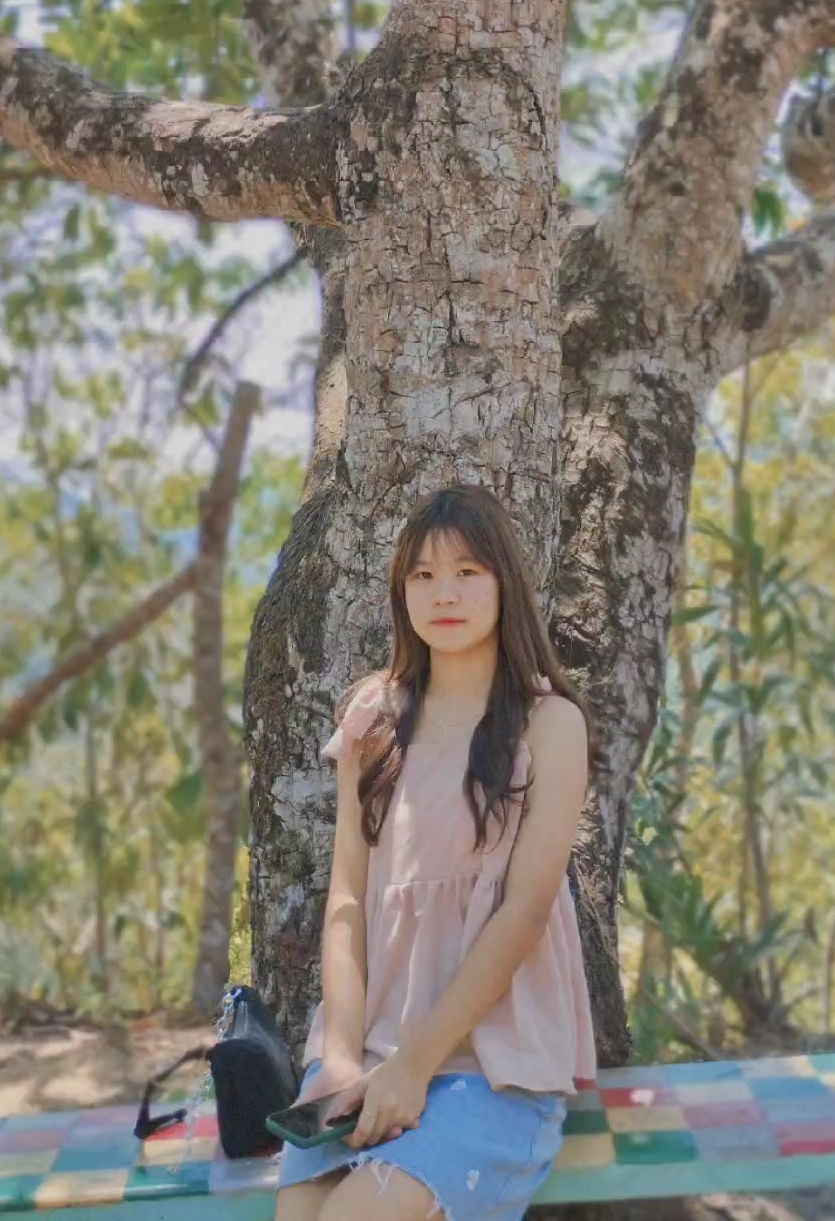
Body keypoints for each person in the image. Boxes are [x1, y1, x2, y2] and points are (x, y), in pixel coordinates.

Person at [275, 482, 600, 1221]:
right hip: (365, 1059)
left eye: (466, 571)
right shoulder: (373, 719)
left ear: (503, 584)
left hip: (493, 1066)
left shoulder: (549, 724)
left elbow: (525, 912)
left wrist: (415, 1068)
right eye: (422, 574)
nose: (443, 593)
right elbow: (347, 899)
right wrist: (341, 1059)